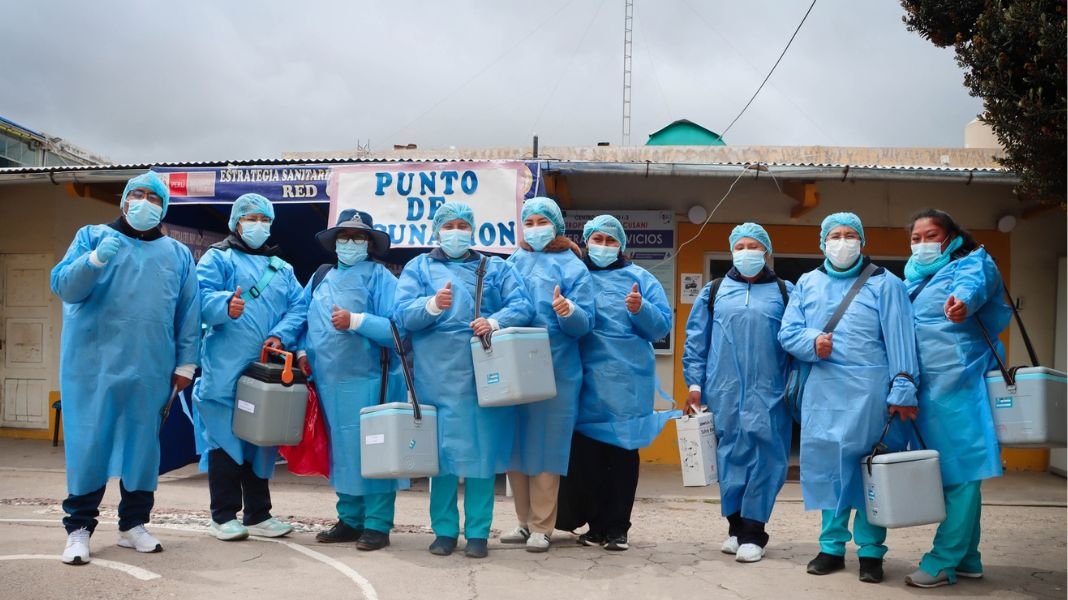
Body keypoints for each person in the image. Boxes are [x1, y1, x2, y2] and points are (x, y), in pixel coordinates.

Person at [51, 171, 201, 565]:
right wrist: (96, 259)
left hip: (151, 366)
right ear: (123, 201)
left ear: (164, 206)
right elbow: (65, 286)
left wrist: (187, 361)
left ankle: (132, 525)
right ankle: (79, 529)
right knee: (89, 445)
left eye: (154, 197)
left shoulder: (177, 254)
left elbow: (188, 311)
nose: (144, 202)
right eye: (137, 194)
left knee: (142, 449)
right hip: (92, 366)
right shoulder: (92, 236)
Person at [778, 212, 920, 584]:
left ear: (862, 241)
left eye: (849, 235)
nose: (842, 242)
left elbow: (901, 339)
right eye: (835, 235)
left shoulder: (886, 284)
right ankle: (831, 547)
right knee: (829, 469)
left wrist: (903, 387)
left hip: (872, 392)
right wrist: (812, 342)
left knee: (871, 469)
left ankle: (872, 553)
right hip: (823, 392)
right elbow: (787, 332)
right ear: (823, 242)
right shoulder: (807, 283)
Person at [393, 201, 534, 559]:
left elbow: (523, 305)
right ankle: (444, 531)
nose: (456, 231)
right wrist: (432, 306)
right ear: (437, 230)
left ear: (473, 229)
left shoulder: (494, 267)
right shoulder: (418, 267)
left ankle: (477, 534)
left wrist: (495, 321)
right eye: (449, 225)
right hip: (434, 376)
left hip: (482, 377)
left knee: (480, 457)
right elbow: (402, 314)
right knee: (439, 459)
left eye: (462, 224)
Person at [901, 209, 1011, 588]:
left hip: (958, 384)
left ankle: (942, 561)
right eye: (915, 238)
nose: (922, 244)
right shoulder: (913, 277)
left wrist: (962, 303)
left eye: (930, 235)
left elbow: (972, 287)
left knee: (962, 475)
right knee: (958, 475)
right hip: (928, 389)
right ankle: (968, 558)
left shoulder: (971, 262)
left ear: (950, 237)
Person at [192, 193, 307, 542]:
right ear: (236, 221)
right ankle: (223, 515)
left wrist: (280, 335)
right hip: (225, 366)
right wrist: (226, 305)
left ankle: (259, 515)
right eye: (251, 218)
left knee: (262, 440)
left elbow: (300, 308)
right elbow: (198, 297)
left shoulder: (283, 269)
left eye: (264, 219)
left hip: (266, 368)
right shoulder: (218, 258)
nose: (258, 225)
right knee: (225, 438)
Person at [682, 223, 793, 563]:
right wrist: (695, 385)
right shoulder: (714, 291)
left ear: (766, 252)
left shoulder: (785, 292)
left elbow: (795, 340)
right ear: (732, 251)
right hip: (723, 389)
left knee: (765, 458)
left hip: (770, 391)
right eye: (740, 246)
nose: (747, 252)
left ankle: (754, 533)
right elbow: (696, 341)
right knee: (728, 457)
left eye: (754, 246)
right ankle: (734, 527)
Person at [299, 209, 408, 551]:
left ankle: (376, 524)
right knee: (342, 452)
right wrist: (301, 350)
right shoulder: (319, 277)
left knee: (375, 451)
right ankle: (349, 519)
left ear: (369, 243)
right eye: (344, 237)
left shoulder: (382, 278)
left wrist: (357, 322)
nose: (350, 243)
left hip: (370, 380)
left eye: (358, 237)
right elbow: (300, 318)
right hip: (328, 382)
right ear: (334, 242)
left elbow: (399, 332)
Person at [570, 215, 672, 552]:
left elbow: (660, 328)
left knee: (622, 460)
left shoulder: (640, 278)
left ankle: (617, 528)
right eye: (597, 239)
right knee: (588, 463)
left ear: (622, 245)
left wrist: (640, 308)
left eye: (610, 240)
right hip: (584, 381)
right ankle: (595, 526)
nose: (603, 246)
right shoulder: (575, 275)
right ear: (586, 242)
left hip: (627, 382)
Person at [500, 197, 595, 553]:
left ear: (556, 225)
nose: (536, 227)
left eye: (543, 220)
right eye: (530, 220)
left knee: (546, 447)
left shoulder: (572, 267)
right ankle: (523, 522)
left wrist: (567, 310)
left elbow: (587, 323)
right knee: (516, 445)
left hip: (557, 368)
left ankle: (543, 525)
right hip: (513, 366)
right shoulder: (513, 262)